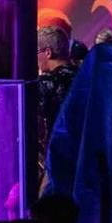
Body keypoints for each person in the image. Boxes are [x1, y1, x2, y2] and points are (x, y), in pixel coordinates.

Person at [37, 25, 79, 172]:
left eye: (37, 52)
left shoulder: (47, 82)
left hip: (60, 155)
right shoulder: (85, 76)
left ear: (48, 53)